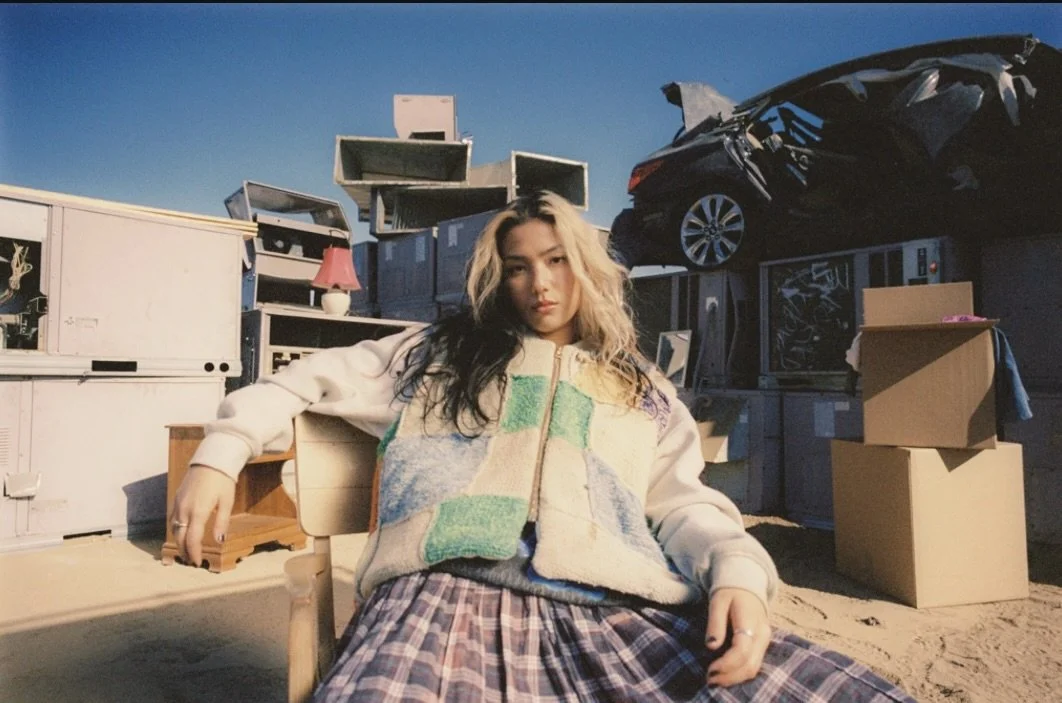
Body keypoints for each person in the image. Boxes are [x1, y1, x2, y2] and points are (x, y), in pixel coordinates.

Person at [171, 190, 916, 702]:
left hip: (606, 604)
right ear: (498, 275)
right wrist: (222, 450)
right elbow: (306, 379)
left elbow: (686, 505)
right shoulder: (434, 354)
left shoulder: (638, 388)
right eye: (519, 265)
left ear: (588, 269)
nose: (540, 284)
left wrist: (739, 574)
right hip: (439, 596)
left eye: (558, 260)